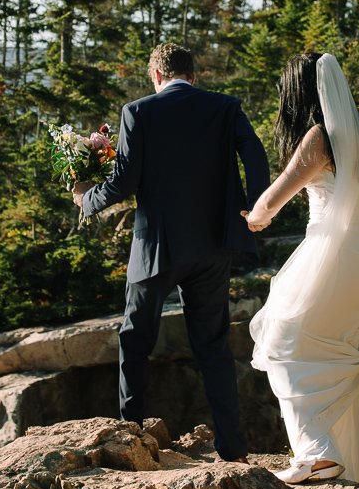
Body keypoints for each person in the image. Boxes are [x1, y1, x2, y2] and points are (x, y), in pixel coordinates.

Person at [73, 42, 270, 461]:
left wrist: (86, 199)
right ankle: (233, 449)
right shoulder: (225, 107)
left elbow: (125, 182)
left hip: (156, 248)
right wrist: (255, 205)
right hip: (214, 245)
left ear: (157, 76)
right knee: (213, 346)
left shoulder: (138, 112)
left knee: (135, 340)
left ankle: (131, 437)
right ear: (192, 76)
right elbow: (254, 151)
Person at [242, 52, 359, 486]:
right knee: (341, 357)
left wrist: (253, 219)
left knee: (280, 340)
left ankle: (317, 452)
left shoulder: (320, 137)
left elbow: (270, 202)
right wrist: (357, 228)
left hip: (329, 260)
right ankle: (353, 470)